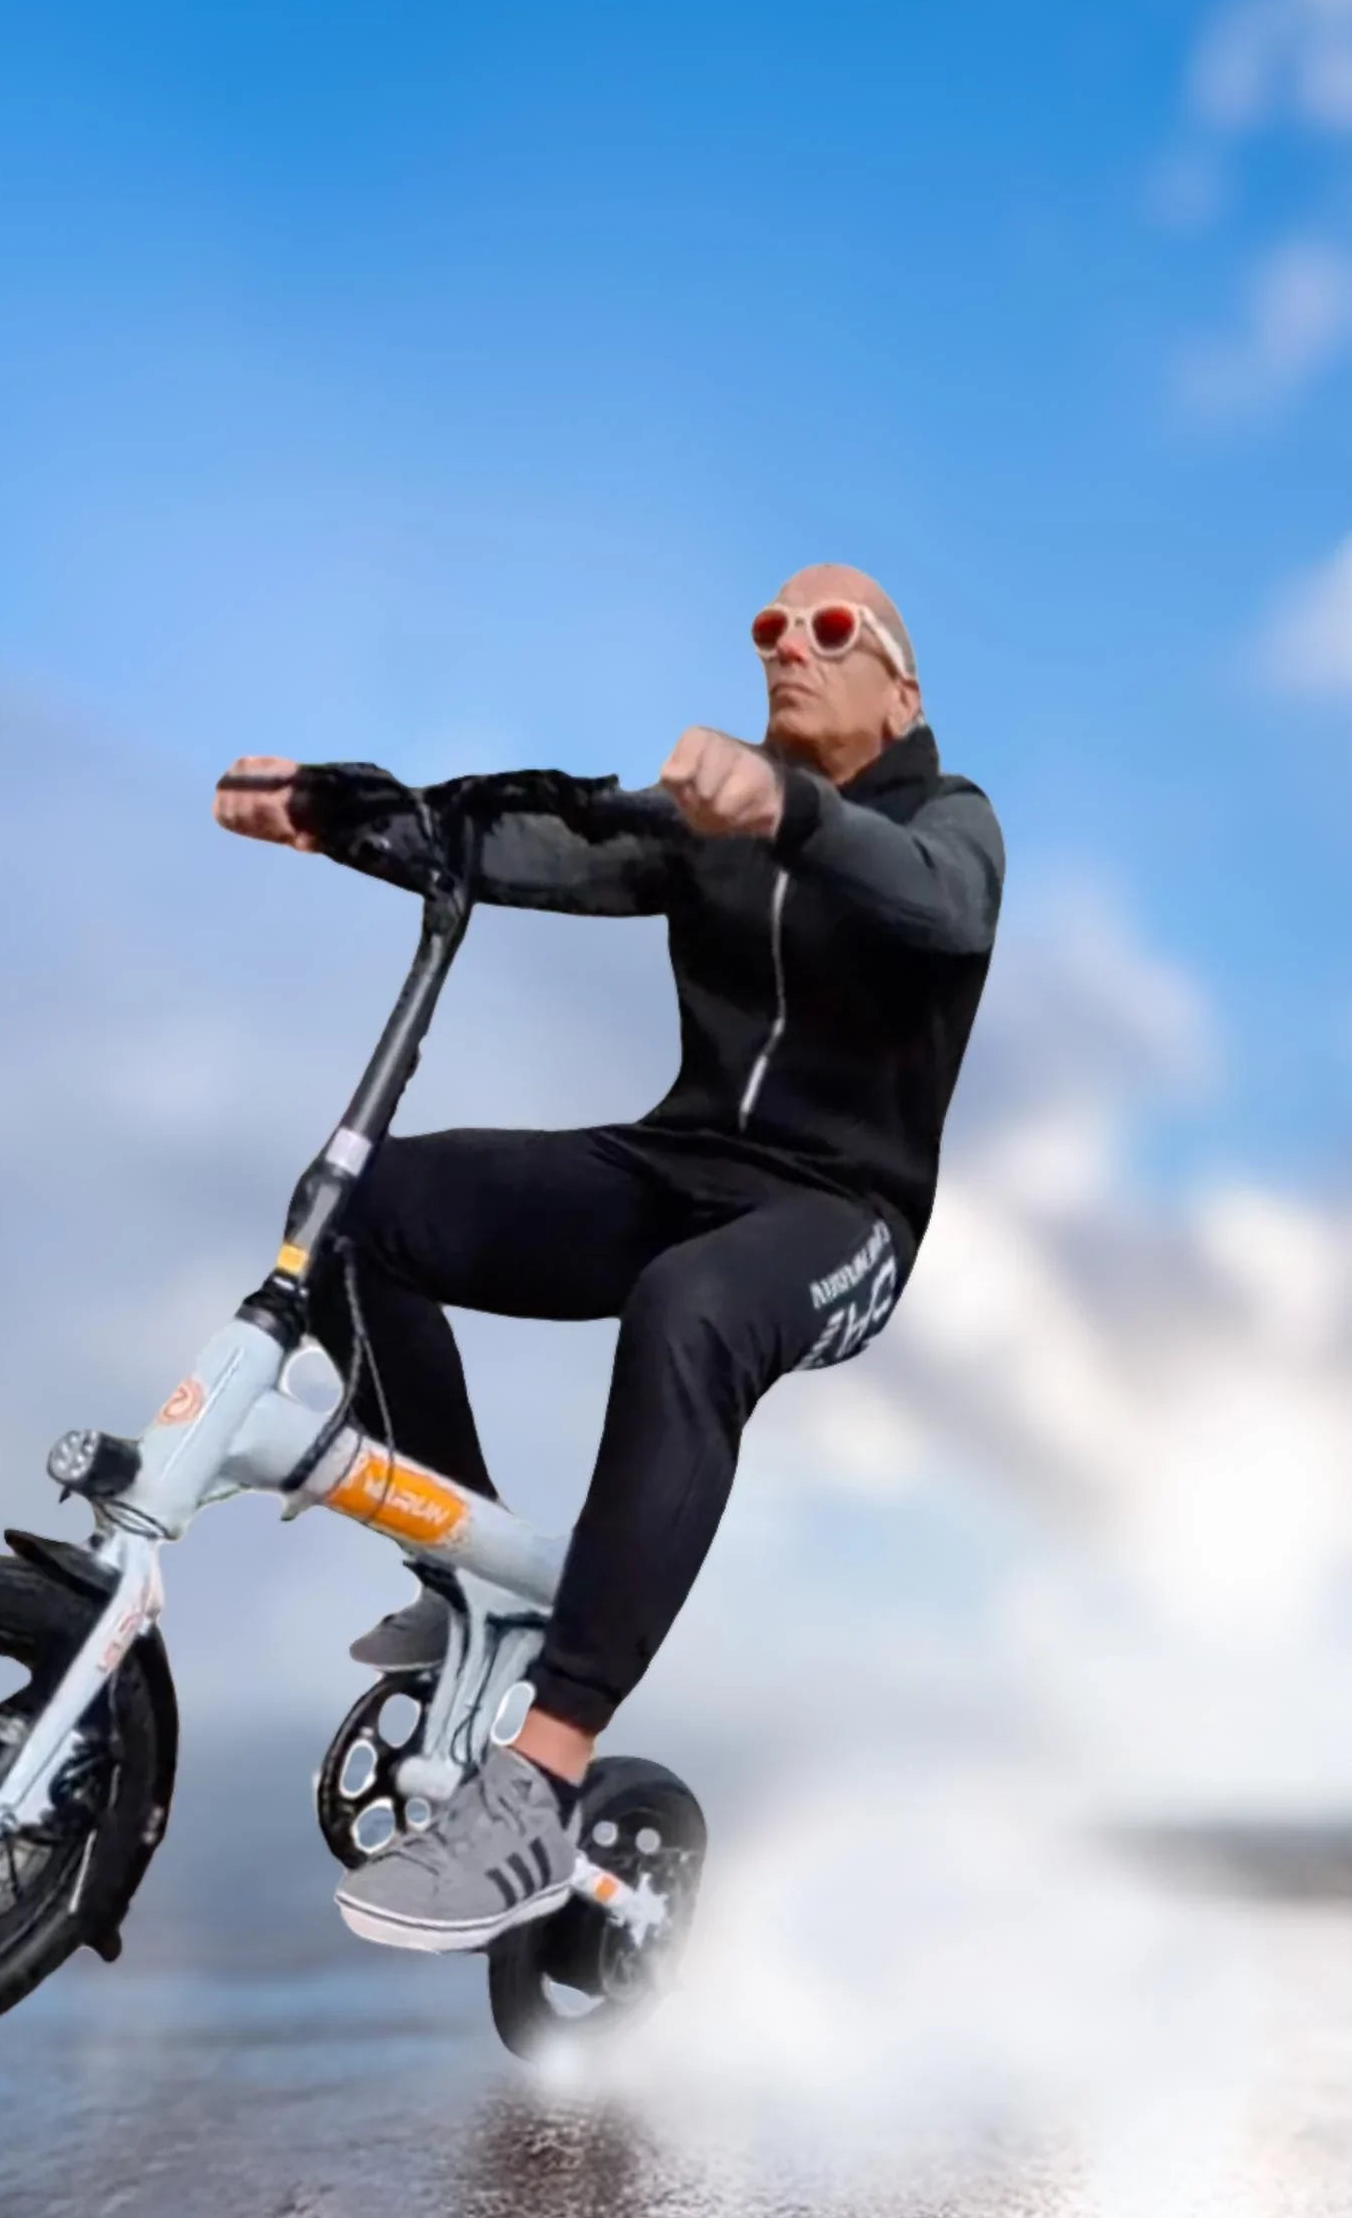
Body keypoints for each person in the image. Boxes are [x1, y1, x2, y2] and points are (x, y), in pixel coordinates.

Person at [213, 565, 1003, 1950]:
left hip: (841, 1220)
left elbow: (944, 910)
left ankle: (543, 1776)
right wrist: (334, 818)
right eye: (768, 630)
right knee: (359, 1209)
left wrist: (793, 810)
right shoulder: (710, 823)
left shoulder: (950, 821)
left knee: (689, 1308)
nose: (787, 651)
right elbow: (536, 842)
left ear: (904, 689)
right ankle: (463, 1573)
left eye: (830, 632)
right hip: (681, 1161)